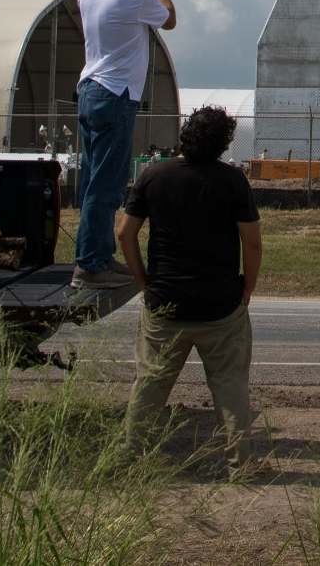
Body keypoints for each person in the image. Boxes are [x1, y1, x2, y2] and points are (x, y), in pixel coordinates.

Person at [117, 104, 262, 471]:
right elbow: (252, 242)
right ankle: (240, 464)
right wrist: (247, 288)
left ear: (185, 134)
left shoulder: (153, 176)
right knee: (230, 388)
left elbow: (125, 233)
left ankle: (129, 458)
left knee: (149, 386)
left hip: (166, 302)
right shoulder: (232, 181)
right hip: (220, 305)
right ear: (224, 143)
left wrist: (143, 281)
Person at [72, 0, 176, 290]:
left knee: (92, 180)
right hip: (116, 94)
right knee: (107, 184)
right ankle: (90, 265)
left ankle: (97, 255)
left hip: (89, 87)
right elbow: (170, 17)